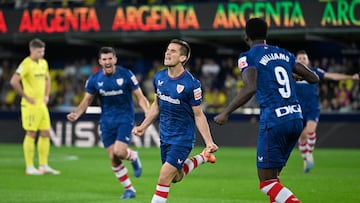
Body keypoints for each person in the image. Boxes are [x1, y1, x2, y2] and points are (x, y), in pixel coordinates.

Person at [214, 18, 319, 203]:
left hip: (274, 121)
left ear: (246, 36)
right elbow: (313, 78)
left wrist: (226, 112)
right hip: (296, 119)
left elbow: (250, 87)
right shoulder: (284, 53)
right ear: (266, 35)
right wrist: (292, 74)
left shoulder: (248, 56)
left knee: (267, 183)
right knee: (274, 179)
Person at [132, 39, 219, 203]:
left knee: (164, 176)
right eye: (167, 50)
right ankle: (202, 158)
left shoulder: (192, 84)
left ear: (183, 58)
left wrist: (209, 141)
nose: (167, 53)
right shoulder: (159, 78)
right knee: (175, 177)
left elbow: (199, 115)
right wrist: (143, 126)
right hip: (165, 137)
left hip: (182, 139)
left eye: (173, 51)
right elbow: (156, 106)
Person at [66, 47, 150, 199]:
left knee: (119, 151)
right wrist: (77, 113)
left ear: (115, 59)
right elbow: (87, 100)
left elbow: (140, 96)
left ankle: (133, 156)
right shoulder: (94, 79)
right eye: (104, 59)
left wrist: (147, 111)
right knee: (113, 157)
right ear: (100, 62)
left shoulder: (126, 74)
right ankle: (130, 190)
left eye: (110, 58)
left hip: (125, 118)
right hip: (106, 122)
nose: (107, 62)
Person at [295, 50, 359, 173]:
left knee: (310, 130)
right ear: (296, 61)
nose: (302, 60)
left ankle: (309, 155)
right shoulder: (292, 74)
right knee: (301, 138)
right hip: (297, 109)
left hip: (312, 107)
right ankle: (305, 159)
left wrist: (350, 77)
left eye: (304, 58)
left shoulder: (314, 72)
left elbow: (332, 76)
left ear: (308, 61)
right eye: (300, 58)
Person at [10, 38, 60, 175]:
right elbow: (14, 81)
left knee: (46, 132)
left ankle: (43, 165)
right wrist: (25, 96)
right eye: (39, 51)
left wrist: (47, 95)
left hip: (41, 105)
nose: (42, 54)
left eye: (43, 51)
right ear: (31, 50)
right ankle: (29, 166)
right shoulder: (25, 64)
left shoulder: (43, 63)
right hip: (30, 105)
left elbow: (47, 78)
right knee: (31, 133)